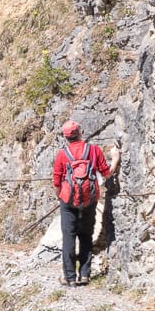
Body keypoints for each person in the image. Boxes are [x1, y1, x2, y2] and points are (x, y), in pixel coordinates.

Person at [52, 120, 120, 286]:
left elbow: (56, 180)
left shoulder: (63, 154)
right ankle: (84, 275)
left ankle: (69, 277)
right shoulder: (93, 150)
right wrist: (116, 159)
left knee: (69, 237)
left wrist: (60, 196)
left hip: (68, 200)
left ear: (66, 137)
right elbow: (106, 173)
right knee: (86, 235)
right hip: (89, 199)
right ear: (80, 132)